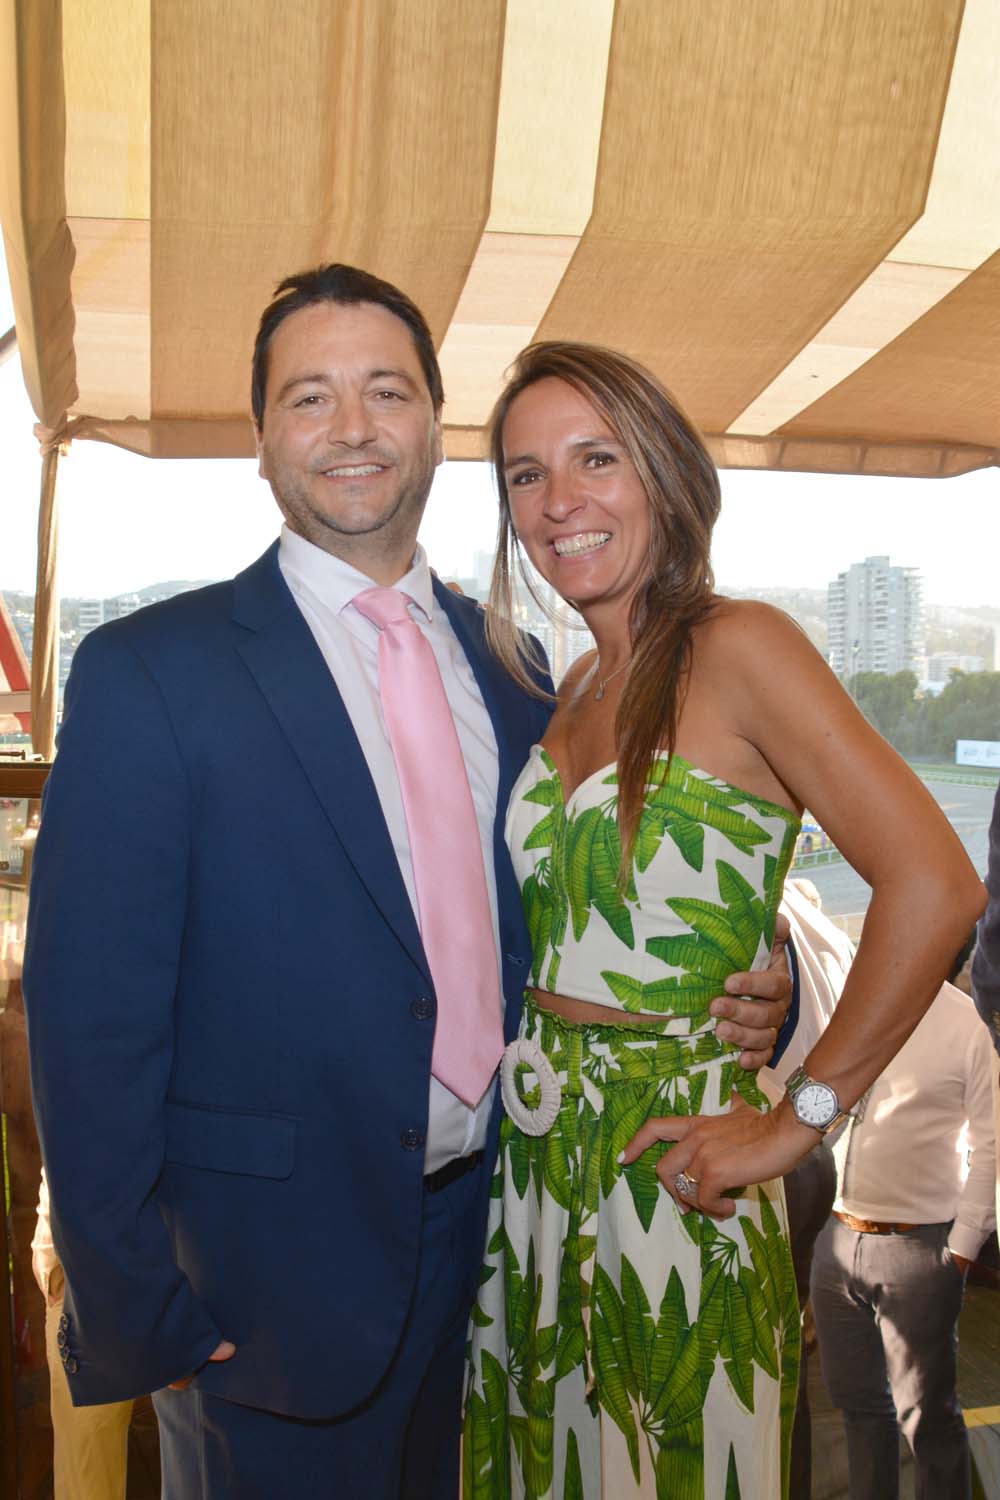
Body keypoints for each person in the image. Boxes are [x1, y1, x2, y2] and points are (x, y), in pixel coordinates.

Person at [22, 266, 792, 1500]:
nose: (353, 427)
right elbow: (88, 1022)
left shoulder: (520, 672)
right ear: (261, 440)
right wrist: (136, 1303)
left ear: (437, 425)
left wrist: (763, 975)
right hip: (264, 1302)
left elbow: (598, 890)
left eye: (386, 391)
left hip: (509, 1259)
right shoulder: (151, 673)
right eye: (309, 397)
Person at [463, 341, 986, 1499]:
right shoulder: (571, 685)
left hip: (677, 1166)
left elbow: (936, 883)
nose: (559, 501)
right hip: (536, 1168)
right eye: (526, 475)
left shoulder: (739, 645)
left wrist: (800, 1117)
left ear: (664, 472)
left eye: (595, 459)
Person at [810, 974, 995, 1500]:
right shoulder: (853, 1002)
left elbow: (991, 1144)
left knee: (927, 1419)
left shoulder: (968, 1023)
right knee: (859, 1411)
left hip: (920, 1248)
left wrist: (960, 1252)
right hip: (836, 1238)